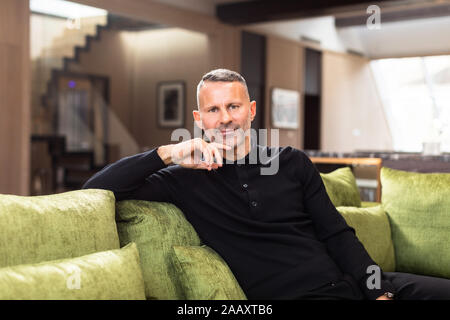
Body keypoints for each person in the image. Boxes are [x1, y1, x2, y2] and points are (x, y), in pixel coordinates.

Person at [83, 68, 450, 300]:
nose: (225, 119)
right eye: (213, 110)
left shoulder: (291, 162)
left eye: (234, 107)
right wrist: (166, 153)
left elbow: (337, 234)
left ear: (252, 110)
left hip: (358, 283)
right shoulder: (183, 179)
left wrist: (378, 291)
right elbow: (95, 190)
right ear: (199, 119)